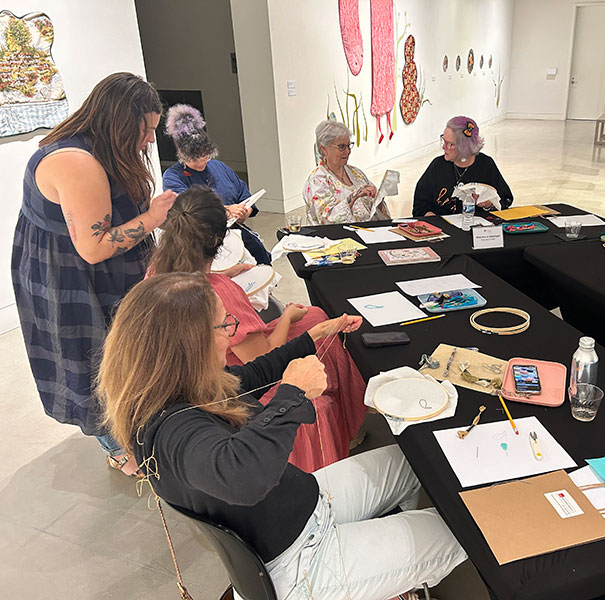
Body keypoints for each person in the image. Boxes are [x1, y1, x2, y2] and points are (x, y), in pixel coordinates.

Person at [97, 272, 467, 600]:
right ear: (190, 345)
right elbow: (244, 475)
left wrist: (312, 338)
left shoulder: (167, 390)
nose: (230, 334)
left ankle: (394, 567)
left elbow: (251, 378)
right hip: (300, 562)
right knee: (467, 531)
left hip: (303, 506)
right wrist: (293, 394)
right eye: (223, 326)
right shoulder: (174, 430)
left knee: (417, 458)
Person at [11, 72, 177, 477]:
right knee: (96, 361)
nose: (150, 141)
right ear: (120, 121)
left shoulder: (104, 149)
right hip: (72, 279)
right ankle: (117, 445)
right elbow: (94, 245)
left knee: (129, 355)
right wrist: (154, 216)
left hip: (103, 274)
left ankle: (136, 425)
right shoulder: (74, 162)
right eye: (146, 130)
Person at [148, 185, 367, 471]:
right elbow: (260, 360)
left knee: (314, 317)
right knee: (319, 331)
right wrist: (287, 317)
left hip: (198, 373)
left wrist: (223, 275)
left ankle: (345, 418)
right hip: (227, 379)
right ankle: (345, 424)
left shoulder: (158, 271)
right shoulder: (216, 294)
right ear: (220, 240)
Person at [162, 104, 271, 265]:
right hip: (202, 244)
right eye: (195, 158)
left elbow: (242, 193)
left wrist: (244, 211)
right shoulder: (173, 177)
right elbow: (188, 209)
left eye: (205, 156)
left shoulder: (219, 167)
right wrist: (226, 211)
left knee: (260, 260)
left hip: (237, 234)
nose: (202, 161)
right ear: (182, 155)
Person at [413, 116, 513, 217]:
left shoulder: (486, 165)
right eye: (443, 140)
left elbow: (506, 200)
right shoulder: (437, 166)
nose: (443, 147)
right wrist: (435, 221)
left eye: (450, 144)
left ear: (464, 147)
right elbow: (420, 206)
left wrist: (488, 204)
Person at [302, 120, 391, 224]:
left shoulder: (355, 173)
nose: (348, 151)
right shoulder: (318, 180)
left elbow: (377, 214)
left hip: (366, 233)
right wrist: (354, 197)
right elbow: (327, 220)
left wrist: (378, 199)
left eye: (349, 146)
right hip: (337, 238)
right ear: (324, 149)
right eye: (341, 147)